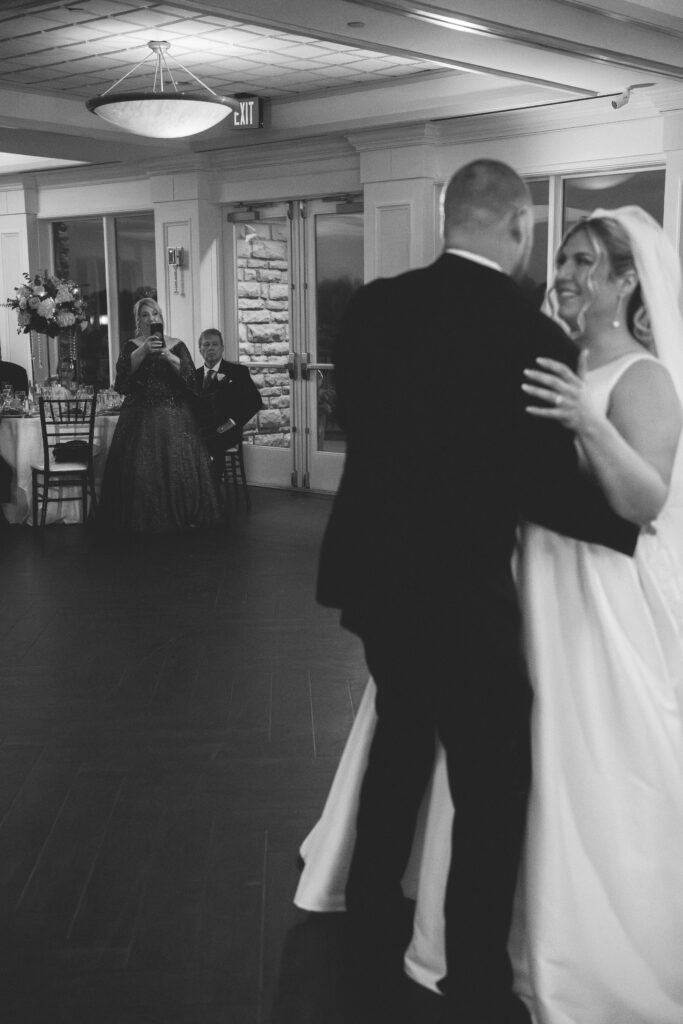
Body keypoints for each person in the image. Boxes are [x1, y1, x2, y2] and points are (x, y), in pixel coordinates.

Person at [298, 204, 683, 1024]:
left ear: (627, 282)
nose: (567, 275)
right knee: (489, 761)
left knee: (568, 755)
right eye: (565, 258)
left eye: (587, 264)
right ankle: (473, 934)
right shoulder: (542, 351)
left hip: (590, 591)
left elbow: (644, 501)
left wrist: (585, 419)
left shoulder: (642, 377)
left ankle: (566, 935)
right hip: (514, 577)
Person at [99, 297, 223, 533]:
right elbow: (122, 380)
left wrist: (167, 354)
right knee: (141, 467)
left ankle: (184, 511)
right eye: (145, 315)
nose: (151, 319)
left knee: (177, 464)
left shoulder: (176, 344)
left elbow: (189, 378)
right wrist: (143, 350)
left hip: (173, 413)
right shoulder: (131, 346)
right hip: (139, 414)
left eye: (154, 314)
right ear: (139, 320)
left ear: (161, 317)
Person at [194, 328, 262, 462]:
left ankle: (210, 481)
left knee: (210, 446)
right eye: (206, 345)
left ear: (222, 348)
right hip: (201, 430)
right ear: (200, 349)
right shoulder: (194, 376)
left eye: (215, 344)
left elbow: (255, 402)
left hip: (226, 430)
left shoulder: (238, 372)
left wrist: (232, 422)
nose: (211, 348)